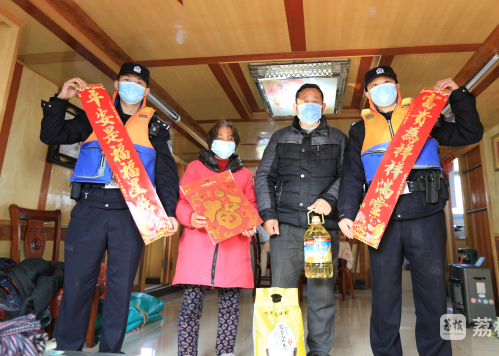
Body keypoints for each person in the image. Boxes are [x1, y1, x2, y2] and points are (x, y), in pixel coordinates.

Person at [338, 66, 484, 356]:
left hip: (426, 215)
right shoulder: (359, 130)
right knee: (384, 297)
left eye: (387, 82)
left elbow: (470, 132)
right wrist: (346, 213)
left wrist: (459, 95)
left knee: (433, 295)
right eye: (375, 85)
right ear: (367, 95)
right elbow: (352, 175)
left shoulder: (423, 117)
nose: (382, 88)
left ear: (397, 86)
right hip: (381, 219)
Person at [40, 63, 180, 353]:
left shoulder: (156, 127)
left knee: (120, 286)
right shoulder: (96, 116)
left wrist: (169, 213)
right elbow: (52, 135)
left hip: (131, 214)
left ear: (146, 90)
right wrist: (61, 100)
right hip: (89, 208)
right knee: (77, 283)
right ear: (116, 84)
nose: (132, 86)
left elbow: (166, 176)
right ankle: (68, 348)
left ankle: (111, 350)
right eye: (126, 79)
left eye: (138, 82)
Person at [255, 83, 348, 356]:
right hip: (285, 228)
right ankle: (284, 350)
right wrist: (267, 214)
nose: (310, 104)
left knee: (322, 296)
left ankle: (319, 351)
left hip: (323, 230)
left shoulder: (338, 138)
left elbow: (349, 176)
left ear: (323, 106)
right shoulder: (280, 137)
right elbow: (264, 176)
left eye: (315, 100)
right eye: (304, 100)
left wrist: (330, 198)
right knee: (281, 294)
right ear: (295, 106)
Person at [173, 120, 258, 356]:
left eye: (230, 138)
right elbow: (181, 201)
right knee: (190, 306)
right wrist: (190, 217)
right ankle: (186, 352)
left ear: (236, 144)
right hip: (197, 248)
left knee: (230, 307)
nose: (225, 142)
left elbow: (251, 205)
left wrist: (250, 223)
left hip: (232, 249)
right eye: (221, 137)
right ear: (211, 141)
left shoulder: (244, 174)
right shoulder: (194, 168)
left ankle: (225, 351)